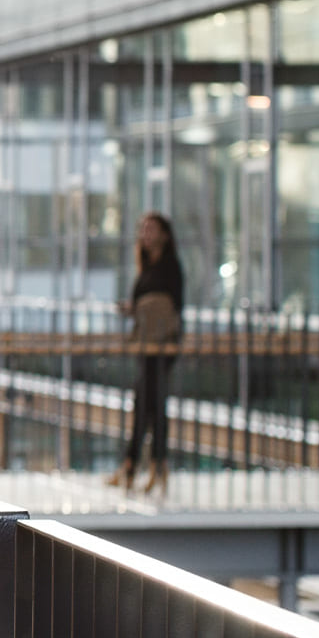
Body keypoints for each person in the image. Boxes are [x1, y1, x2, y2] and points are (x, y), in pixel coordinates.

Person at [107, 211, 184, 495]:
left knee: (150, 405)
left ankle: (145, 466)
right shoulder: (148, 265)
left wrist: (138, 308)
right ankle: (144, 465)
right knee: (146, 404)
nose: (146, 234)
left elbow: (168, 306)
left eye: (151, 229)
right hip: (147, 343)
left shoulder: (169, 266)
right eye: (143, 229)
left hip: (161, 345)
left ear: (164, 234)